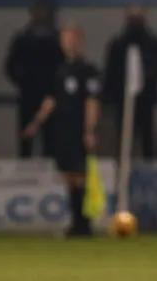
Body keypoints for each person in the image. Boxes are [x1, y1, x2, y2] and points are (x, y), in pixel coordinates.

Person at [22, 23, 101, 237]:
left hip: (78, 130)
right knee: (68, 175)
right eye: (65, 39)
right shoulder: (59, 71)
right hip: (62, 130)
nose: (68, 43)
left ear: (79, 41)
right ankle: (77, 222)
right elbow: (51, 100)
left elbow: (92, 102)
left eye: (72, 39)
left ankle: (84, 223)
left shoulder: (88, 70)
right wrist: (35, 123)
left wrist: (89, 131)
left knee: (79, 175)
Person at [102, 5, 157, 159]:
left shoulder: (152, 43)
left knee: (147, 137)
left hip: (146, 98)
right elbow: (110, 70)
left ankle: (148, 170)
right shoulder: (118, 45)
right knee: (123, 137)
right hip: (122, 99)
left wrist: (152, 79)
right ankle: (122, 170)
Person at [4, 0, 64, 158]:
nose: (41, 15)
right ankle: (23, 172)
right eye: (38, 11)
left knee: (50, 140)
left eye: (44, 12)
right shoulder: (23, 40)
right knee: (26, 138)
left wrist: (56, 87)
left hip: (50, 98)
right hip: (28, 96)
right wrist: (23, 82)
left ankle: (50, 173)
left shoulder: (57, 40)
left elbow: (64, 66)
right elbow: (10, 66)